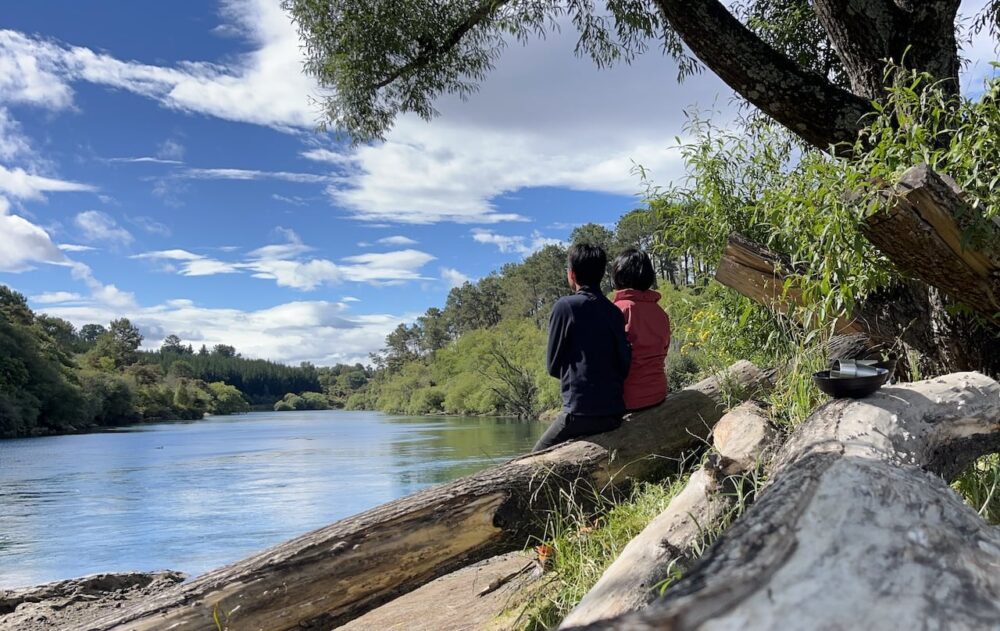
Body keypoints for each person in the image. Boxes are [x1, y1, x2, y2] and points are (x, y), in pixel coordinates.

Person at [532, 243, 631, 452]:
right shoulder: (613, 312)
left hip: (579, 412)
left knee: (533, 460)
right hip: (614, 413)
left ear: (572, 274)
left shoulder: (565, 307)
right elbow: (624, 364)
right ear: (602, 274)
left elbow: (552, 366)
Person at [611, 249, 671, 411]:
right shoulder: (660, 313)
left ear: (619, 275)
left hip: (628, 399)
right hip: (659, 393)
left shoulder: (618, 311)